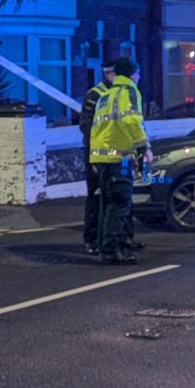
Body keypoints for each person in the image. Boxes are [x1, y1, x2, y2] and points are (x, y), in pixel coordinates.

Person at [89, 58, 153, 264]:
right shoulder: (129, 91)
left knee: (108, 205)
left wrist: (94, 158)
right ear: (133, 74)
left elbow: (96, 128)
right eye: (139, 74)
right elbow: (131, 121)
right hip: (119, 159)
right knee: (120, 204)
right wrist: (144, 147)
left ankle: (109, 245)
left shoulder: (105, 96)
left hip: (102, 158)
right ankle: (111, 250)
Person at [78, 63, 115, 255]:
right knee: (95, 197)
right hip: (96, 154)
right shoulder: (95, 94)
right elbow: (86, 125)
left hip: (114, 154)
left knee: (116, 198)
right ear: (107, 74)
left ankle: (119, 237)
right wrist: (94, 156)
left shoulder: (121, 92)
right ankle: (91, 239)